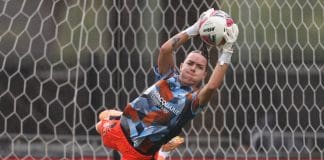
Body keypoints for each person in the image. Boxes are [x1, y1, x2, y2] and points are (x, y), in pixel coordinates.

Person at [96, 8, 239, 160]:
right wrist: (196, 28)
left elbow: (211, 86)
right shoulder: (168, 75)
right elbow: (165, 49)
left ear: (204, 75)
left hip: (137, 152)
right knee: (102, 118)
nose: (193, 68)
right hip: (118, 129)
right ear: (182, 65)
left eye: (199, 67)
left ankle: (162, 153)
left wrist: (227, 50)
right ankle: (161, 150)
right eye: (190, 63)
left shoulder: (193, 100)